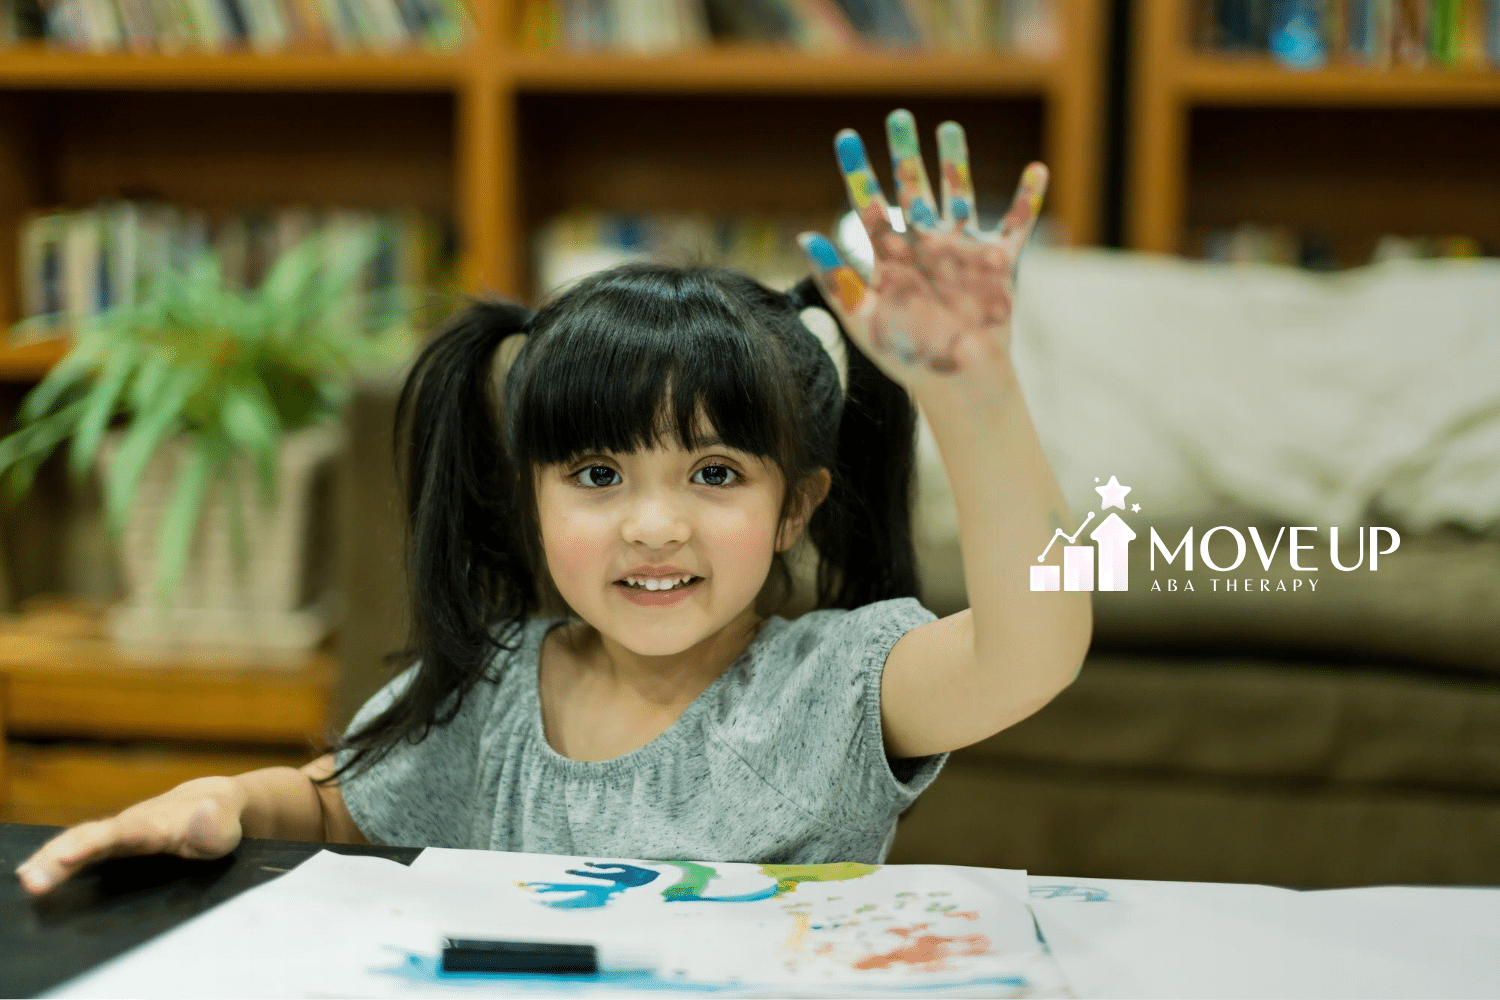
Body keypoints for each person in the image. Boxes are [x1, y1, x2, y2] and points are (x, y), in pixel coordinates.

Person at [15, 109, 1091, 896]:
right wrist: (232, 801)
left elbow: (1033, 648)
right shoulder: (491, 690)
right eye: (596, 474)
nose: (654, 524)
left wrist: (975, 391)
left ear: (797, 507)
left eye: (714, 475)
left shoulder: (840, 686)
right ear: (529, 495)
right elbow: (337, 804)